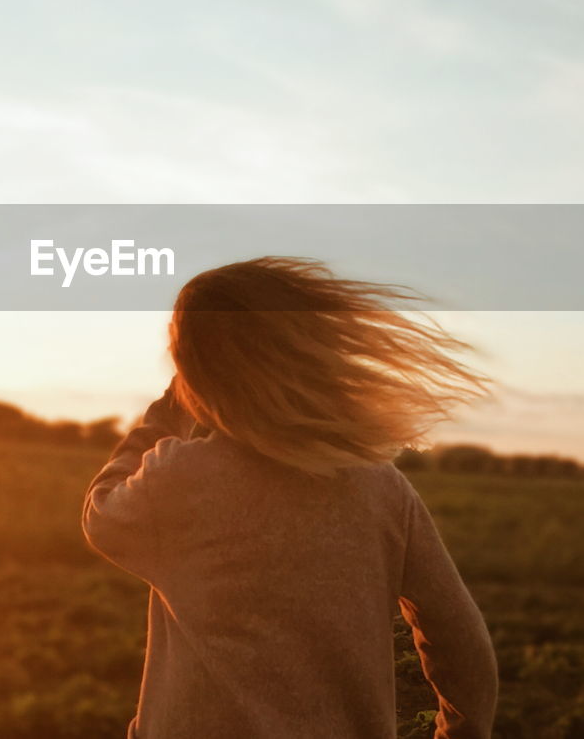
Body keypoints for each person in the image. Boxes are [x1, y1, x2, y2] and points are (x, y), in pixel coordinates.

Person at [81, 256, 498, 739]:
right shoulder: (380, 486)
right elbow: (460, 642)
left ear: (197, 370)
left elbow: (100, 513)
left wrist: (169, 408)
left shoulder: (180, 480)